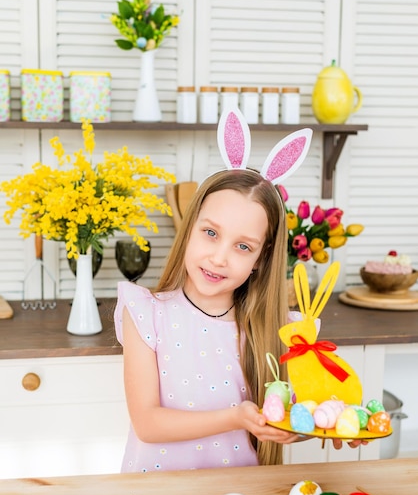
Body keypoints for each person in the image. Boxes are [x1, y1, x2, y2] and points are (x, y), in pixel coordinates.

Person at [114, 110, 362, 473]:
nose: (218, 258)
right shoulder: (145, 313)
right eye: (211, 233)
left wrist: (327, 423)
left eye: (243, 247)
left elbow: (292, 414)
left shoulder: (282, 330)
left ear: (261, 258)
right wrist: (238, 417)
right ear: (189, 228)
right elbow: (148, 424)